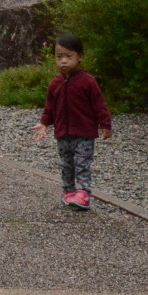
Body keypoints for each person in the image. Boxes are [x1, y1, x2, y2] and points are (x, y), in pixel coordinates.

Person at [32, 33, 111, 210]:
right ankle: (68, 191)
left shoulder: (87, 81)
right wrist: (44, 123)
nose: (64, 62)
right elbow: (49, 107)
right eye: (59, 57)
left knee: (82, 163)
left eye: (69, 57)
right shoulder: (55, 83)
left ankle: (83, 193)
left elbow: (100, 105)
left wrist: (105, 124)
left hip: (84, 133)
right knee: (66, 164)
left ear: (80, 57)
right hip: (63, 133)